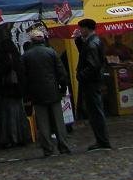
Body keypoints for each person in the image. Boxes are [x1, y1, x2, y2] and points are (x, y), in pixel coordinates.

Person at [22, 28, 71, 156]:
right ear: (43, 39)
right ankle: (63, 146)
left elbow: (24, 77)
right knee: (58, 120)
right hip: (53, 89)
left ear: (31, 41)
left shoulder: (26, 56)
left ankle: (48, 148)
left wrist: (27, 94)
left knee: (43, 122)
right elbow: (61, 72)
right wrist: (63, 87)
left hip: (36, 92)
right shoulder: (51, 52)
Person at [76, 18, 112, 150]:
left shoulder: (92, 44)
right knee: (95, 111)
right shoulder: (93, 41)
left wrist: (81, 75)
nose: (80, 30)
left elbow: (93, 65)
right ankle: (101, 140)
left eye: (81, 28)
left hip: (91, 82)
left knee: (95, 111)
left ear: (86, 28)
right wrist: (78, 41)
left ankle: (102, 140)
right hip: (94, 81)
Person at [0, 38, 29, 148]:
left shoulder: (4, 59)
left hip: (8, 91)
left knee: (9, 116)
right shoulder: (17, 58)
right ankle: (21, 136)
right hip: (17, 91)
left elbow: (1, 73)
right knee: (19, 114)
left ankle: (12, 138)